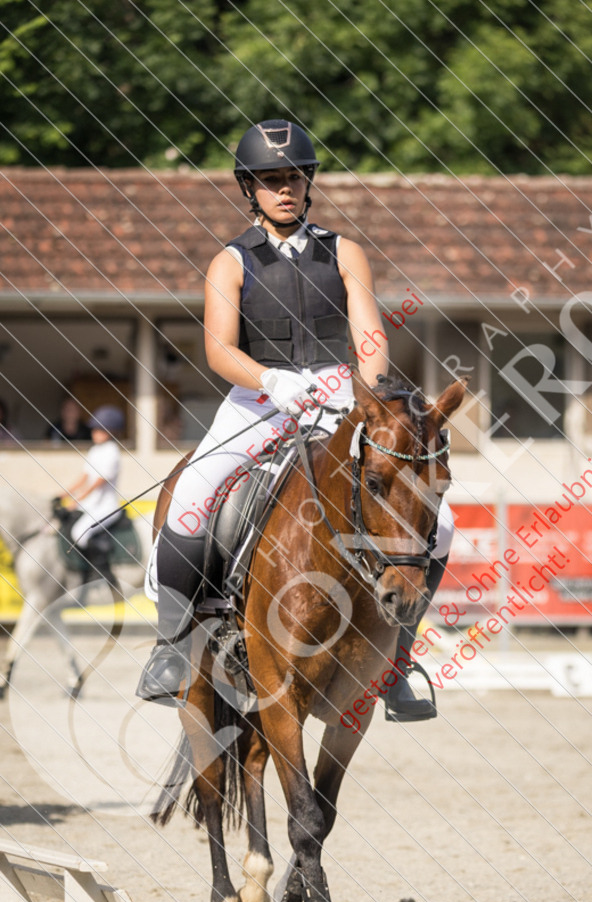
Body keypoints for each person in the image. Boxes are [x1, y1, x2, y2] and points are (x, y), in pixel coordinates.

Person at [137, 120, 452, 720]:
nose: (285, 188)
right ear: (249, 188)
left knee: (445, 521)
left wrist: (364, 391)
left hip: (341, 397)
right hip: (260, 399)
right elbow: (219, 349)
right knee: (191, 499)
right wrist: (271, 380)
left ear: (308, 184)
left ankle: (398, 660)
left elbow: (370, 336)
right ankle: (173, 646)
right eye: (270, 180)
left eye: (294, 177)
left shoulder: (343, 251)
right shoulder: (230, 261)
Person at [58, 404, 125, 583]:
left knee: (80, 532)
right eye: (94, 428)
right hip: (91, 504)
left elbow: (98, 482)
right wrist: (64, 494)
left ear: (110, 431)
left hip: (107, 506)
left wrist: (77, 499)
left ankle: (99, 576)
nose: (94, 431)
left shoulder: (112, 451)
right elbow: (84, 477)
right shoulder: (95, 450)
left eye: (99, 428)